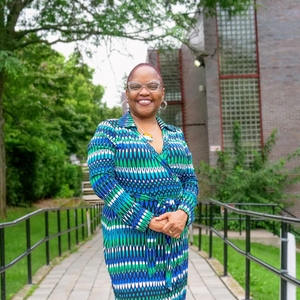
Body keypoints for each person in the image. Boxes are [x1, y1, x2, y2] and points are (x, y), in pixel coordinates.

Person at [87, 63, 199, 300]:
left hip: (173, 240)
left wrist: (184, 214)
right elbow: (102, 180)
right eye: (135, 86)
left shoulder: (175, 135)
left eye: (152, 86)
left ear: (163, 93)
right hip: (129, 241)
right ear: (127, 94)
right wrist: (147, 220)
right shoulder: (110, 131)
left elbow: (190, 180)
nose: (144, 92)